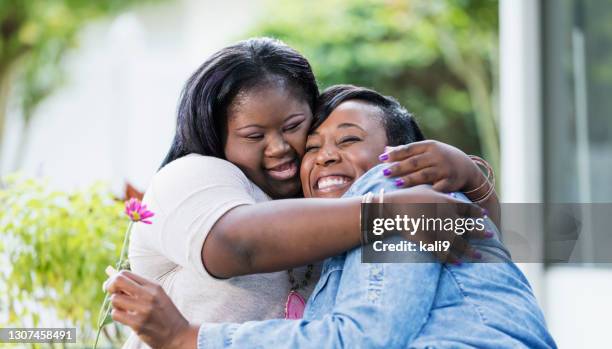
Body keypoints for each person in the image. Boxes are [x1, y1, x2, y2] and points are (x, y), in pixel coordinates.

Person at [106, 85, 556, 348]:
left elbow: (365, 337)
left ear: (402, 153)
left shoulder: (395, 193)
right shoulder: (343, 233)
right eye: (315, 146)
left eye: (348, 139)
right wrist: (475, 183)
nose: (324, 157)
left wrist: (190, 338)